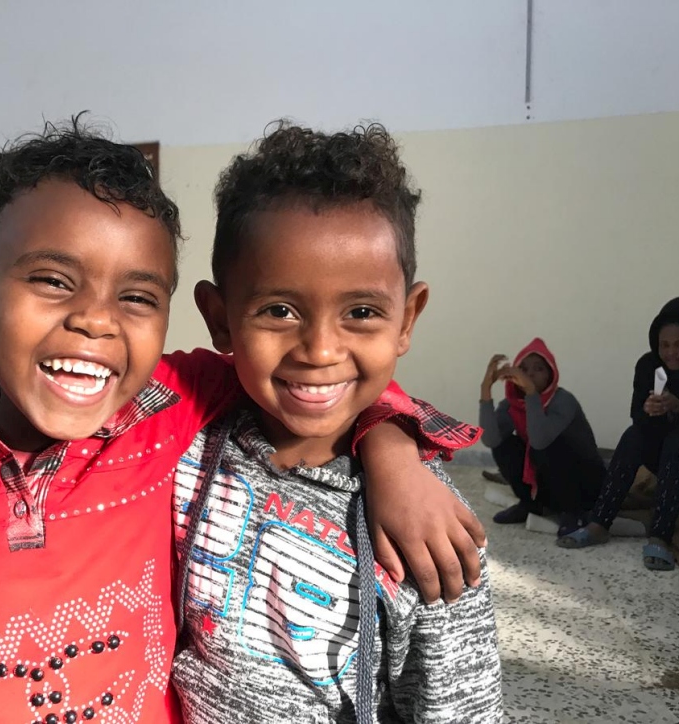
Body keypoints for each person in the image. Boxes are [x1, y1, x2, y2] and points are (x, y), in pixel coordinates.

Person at [0, 119, 484, 724]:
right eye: (52, 280)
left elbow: (321, 382)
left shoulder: (164, 409)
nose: (97, 320)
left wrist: (392, 450)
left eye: (135, 296)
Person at [172, 122, 501, 722]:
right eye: (278, 310)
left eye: (362, 312)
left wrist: (393, 452)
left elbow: (460, 707)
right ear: (219, 319)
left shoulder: (428, 526)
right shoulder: (185, 444)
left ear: (407, 318)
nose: (320, 350)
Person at [558, 297, 679, 571]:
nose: (672, 353)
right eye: (665, 345)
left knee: (677, 443)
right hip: (659, 446)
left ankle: (660, 536)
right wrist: (648, 409)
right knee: (633, 436)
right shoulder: (647, 365)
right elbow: (637, 417)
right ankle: (599, 523)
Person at [478, 338, 605, 537]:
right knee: (505, 445)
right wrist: (485, 390)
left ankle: (572, 513)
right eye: (524, 369)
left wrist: (531, 394)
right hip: (549, 484)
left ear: (550, 375)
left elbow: (539, 439)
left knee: (548, 445)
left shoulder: (563, 400)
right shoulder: (512, 405)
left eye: (539, 369)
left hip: (584, 485)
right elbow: (491, 440)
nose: (530, 375)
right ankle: (530, 505)